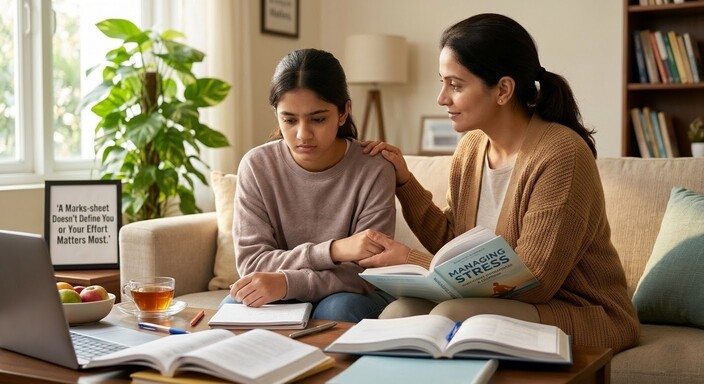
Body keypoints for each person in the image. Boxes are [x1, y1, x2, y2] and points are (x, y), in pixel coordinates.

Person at [360, 13, 639, 352]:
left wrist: (413, 259)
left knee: (452, 314)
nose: (442, 98)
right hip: (508, 303)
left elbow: (534, 280)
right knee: (398, 313)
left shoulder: (561, 154)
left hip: (581, 311)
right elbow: (453, 241)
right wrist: (404, 181)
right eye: (442, 82)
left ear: (503, 89)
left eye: (456, 85)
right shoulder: (472, 147)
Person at [223, 48, 397, 323]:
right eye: (289, 120)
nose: (303, 134)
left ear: (343, 112)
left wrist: (288, 283)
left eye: (318, 119)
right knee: (234, 303)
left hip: (352, 293)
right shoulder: (256, 166)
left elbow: (366, 272)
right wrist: (335, 250)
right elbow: (252, 264)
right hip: (286, 288)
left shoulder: (374, 168)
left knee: (335, 310)